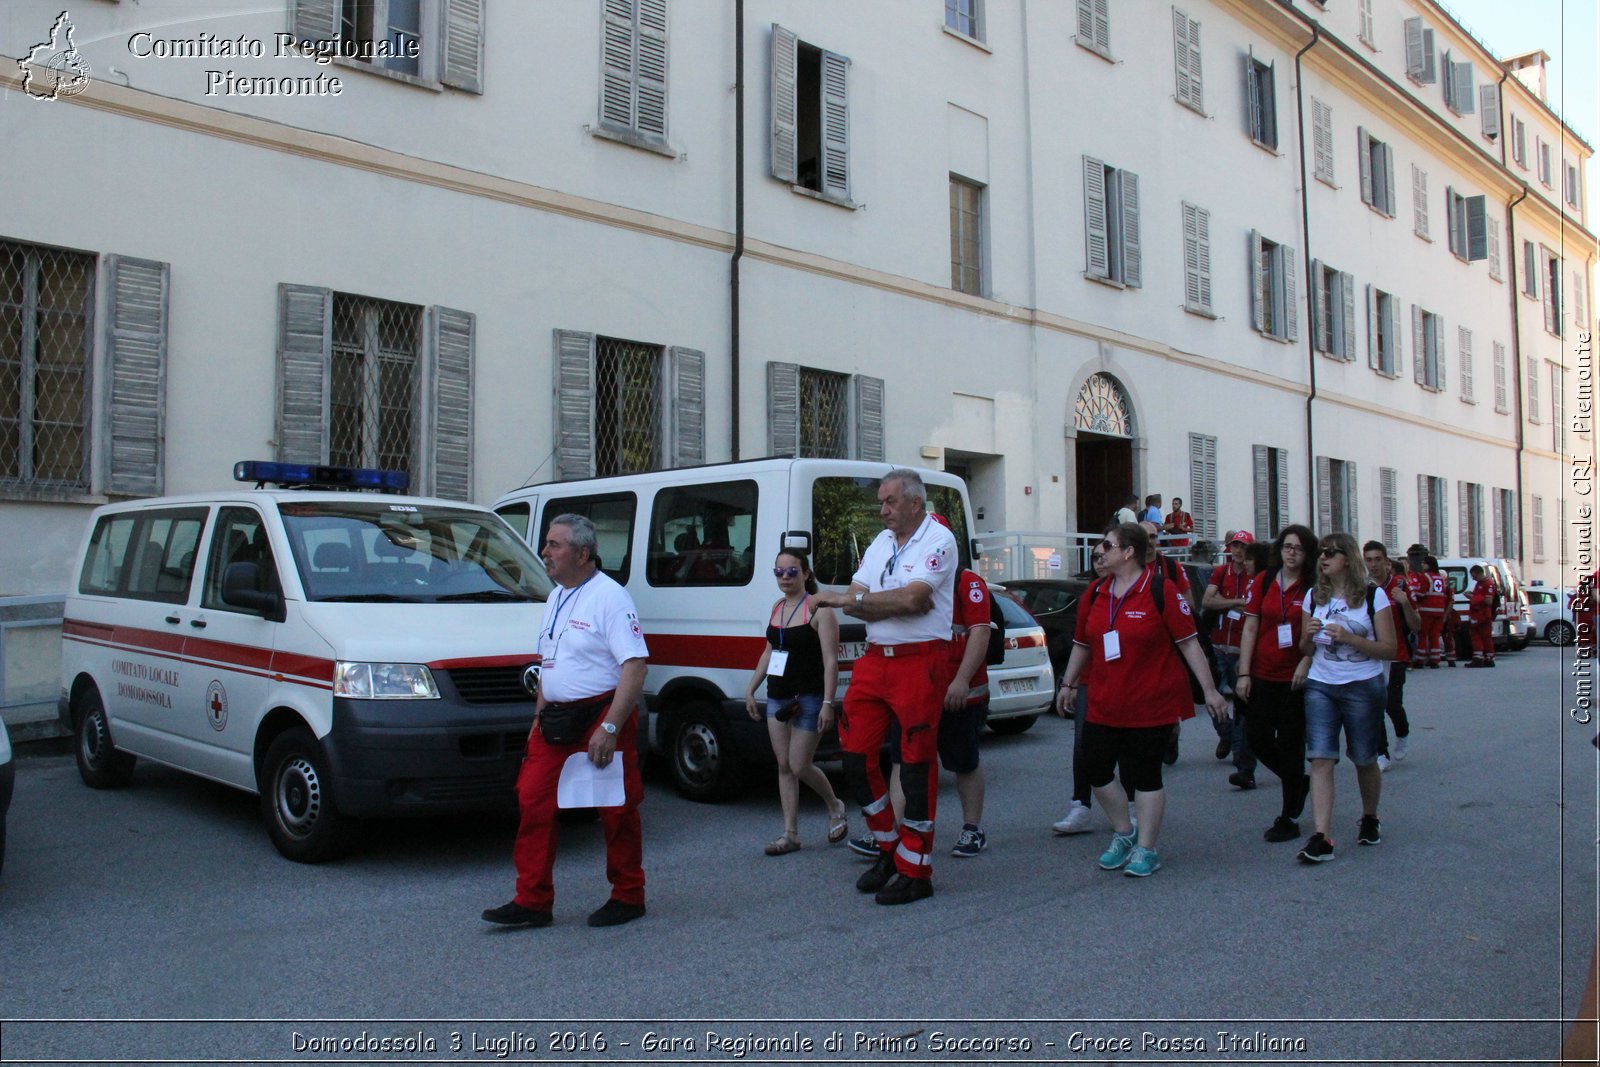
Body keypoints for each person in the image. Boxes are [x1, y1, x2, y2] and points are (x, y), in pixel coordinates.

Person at [483, 514, 650, 929]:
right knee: (532, 800)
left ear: (582, 552)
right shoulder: (556, 596)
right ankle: (532, 901)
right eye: (547, 544)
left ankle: (628, 895)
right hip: (555, 720)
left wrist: (610, 728)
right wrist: (538, 717)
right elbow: (550, 664)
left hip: (600, 716)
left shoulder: (610, 598)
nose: (545, 552)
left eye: (554, 545)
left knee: (616, 809)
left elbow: (635, 666)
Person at [811, 468, 958, 906]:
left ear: (915, 502)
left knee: (914, 767)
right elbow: (870, 599)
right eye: (881, 501)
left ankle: (917, 869)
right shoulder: (880, 543)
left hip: (920, 661)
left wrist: (853, 601)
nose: (883, 510)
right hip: (877, 660)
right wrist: (874, 602)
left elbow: (914, 600)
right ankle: (890, 849)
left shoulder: (938, 540)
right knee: (855, 757)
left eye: (890, 501)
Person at [1054, 523, 1229, 877]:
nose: (1100, 551)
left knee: (1145, 774)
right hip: (1105, 699)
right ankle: (1124, 832)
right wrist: (1068, 683)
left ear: (1128, 552)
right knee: (1095, 766)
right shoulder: (1097, 592)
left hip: (1152, 700)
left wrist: (1210, 690)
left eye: (1108, 545)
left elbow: (1189, 642)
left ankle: (1147, 848)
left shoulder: (1161, 590)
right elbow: (1083, 644)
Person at [1295, 532, 1396, 864]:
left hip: (1362, 686)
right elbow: (1304, 649)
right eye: (1321, 552)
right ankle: (1322, 836)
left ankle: (1370, 816)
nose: (1323, 558)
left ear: (1348, 559)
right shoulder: (1313, 596)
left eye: (1332, 552)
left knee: (1364, 757)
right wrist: (1308, 638)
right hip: (1322, 684)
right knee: (1320, 759)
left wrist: (1350, 637)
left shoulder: (1372, 596)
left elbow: (1389, 649)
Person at [744, 550, 849, 855]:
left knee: (799, 764)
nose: (785, 578)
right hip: (778, 696)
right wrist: (752, 689)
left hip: (809, 698)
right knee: (784, 766)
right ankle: (790, 833)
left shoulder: (820, 611)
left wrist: (829, 702)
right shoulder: (778, 607)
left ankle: (835, 804)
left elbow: (831, 662)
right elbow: (768, 653)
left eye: (792, 572)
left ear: (806, 574)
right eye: (779, 572)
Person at [1235, 525, 1315, 842]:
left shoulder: (1312, 587)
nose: (1291, 552)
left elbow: (1318, 633)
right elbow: (1250, 627)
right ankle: (1298, 783)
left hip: (1295, 679)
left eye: (1298, 548)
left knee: (1292, 745)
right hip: (1262, 674)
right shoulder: (1264, 581)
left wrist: (1306, 663)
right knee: (1258, 737)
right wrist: (1243, 673)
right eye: (1287, 546)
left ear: (1307, 554)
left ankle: (1289, 816)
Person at [1203, 530, 1258, 788]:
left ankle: (1240, 754)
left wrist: (1223, 602)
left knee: (1241, 703)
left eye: (1244, 547)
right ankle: (1226, 734)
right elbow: (1207, 601)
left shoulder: (1255, 575)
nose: (1238, 551)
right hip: (1218, 644)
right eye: (1235, 546)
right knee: (1211, 695)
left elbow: (1252, 607)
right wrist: (1235, 602)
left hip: (1241, 648)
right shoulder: (1220, 572)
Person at [1364, 542, 1420, 767]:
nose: (1374, 564)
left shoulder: (1400, 587)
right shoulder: (1362, 588)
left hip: (1396, 654)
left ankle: (1402, 731)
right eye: (1369, 560)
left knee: (1392, 704)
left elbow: (1416, 625)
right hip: (1370, 655)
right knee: (1374, 704)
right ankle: (1381, 752)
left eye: (1378, 559)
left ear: (1387, 563)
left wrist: (1405, 604)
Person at [1416, 552, 1449, 668]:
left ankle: (1420, 660)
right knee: (1434, 635)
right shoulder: (1440, 577)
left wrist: (1415, 597)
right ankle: (1435, 660)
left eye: (1423, 563)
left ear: (1428, 565)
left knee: (1423, 634)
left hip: (1427, 610)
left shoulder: (1426, 576)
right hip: (1439, 610)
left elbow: (1421, 593)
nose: (1422, 565)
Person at [1466, 564, 1498, 667]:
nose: (1473, 578)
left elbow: (1489, 601)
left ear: (1479, 573)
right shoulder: (1480, 583)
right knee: (1480, 636)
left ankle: (1480, 659)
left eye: (1474, 575)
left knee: (1480, 637)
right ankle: (1486, 658)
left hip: (1482, 615)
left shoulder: (1488, 584)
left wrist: (1473, 597)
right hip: (1478, 614)